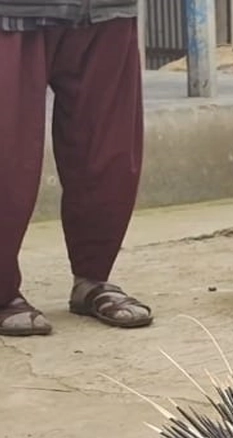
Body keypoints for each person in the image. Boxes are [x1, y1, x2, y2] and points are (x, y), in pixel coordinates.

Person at [0, 0, 151, 337]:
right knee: (7, 155)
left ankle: (92, 280)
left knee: (108, 150)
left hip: (106, 9)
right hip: (12, 12)